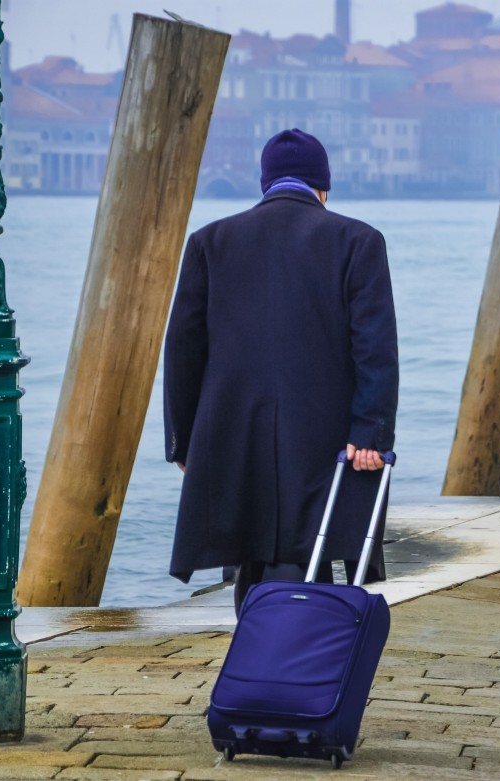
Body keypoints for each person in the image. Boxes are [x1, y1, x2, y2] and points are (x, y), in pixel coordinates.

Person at [163, 128, 399, 615]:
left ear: (265, 183)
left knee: (251, 548)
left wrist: (184, 442)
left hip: (233, 430)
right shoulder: (359, 241)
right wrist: (370, 433)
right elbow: (374, 348)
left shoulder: (210, 242)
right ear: (323, 187)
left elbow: (183, 348)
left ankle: (259, 654)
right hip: (325, 433)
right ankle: (297, 660)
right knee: (312, 545)